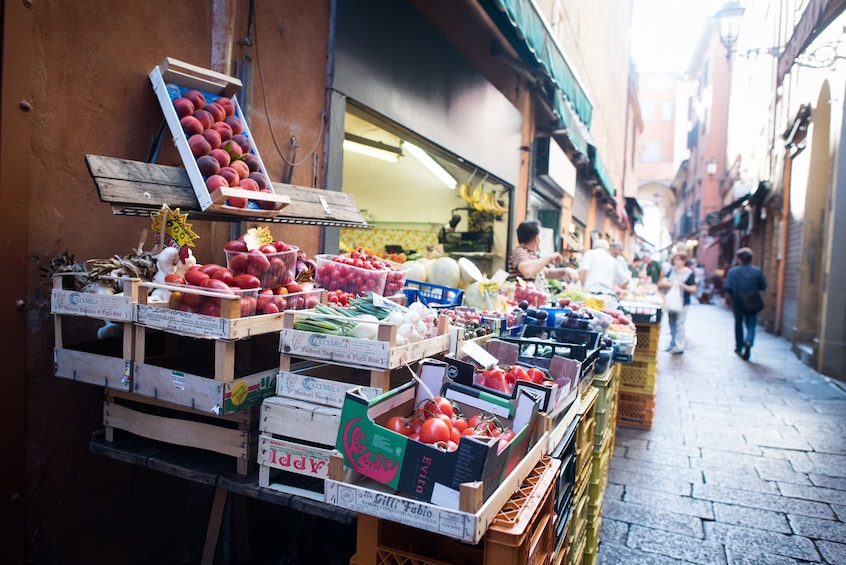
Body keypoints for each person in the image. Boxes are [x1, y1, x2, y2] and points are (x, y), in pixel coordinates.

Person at [724, 247, 767, 360]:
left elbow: (727, 286)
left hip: (737, 300)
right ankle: (749, 341)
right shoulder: (757, 271)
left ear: (739, 259)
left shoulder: (733, 272)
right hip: (752, 300)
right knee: (751, 323)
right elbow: (763, 286)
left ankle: (739, 346)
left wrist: (732, 295)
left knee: (738, 323)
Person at [658, 252, 697, 354]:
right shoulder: (672, 270)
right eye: (675, 260)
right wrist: (669, 284)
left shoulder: (689, 273)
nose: (677, 262)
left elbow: (693, 288)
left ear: (684, 261)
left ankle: (679, 347)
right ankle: (672, 344)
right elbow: (663, 281)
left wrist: (682, 285)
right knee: (671, 323)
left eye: (679, 260)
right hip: (671, 301)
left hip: (683, 302)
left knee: (679, 324)